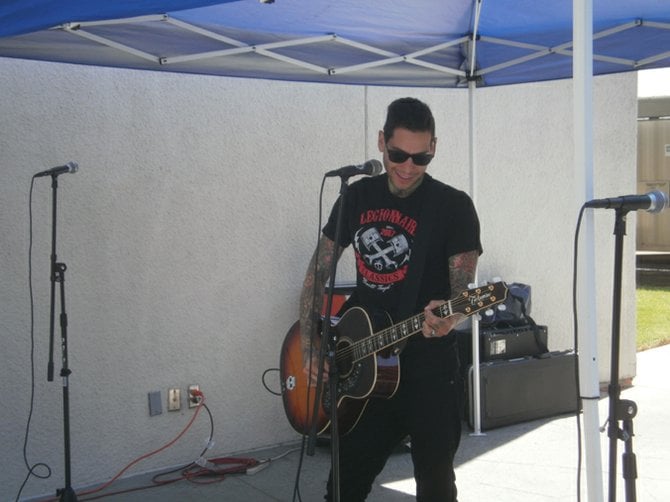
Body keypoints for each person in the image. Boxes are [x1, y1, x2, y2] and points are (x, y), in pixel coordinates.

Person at [299, 97, 482, 502]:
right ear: (382, 142)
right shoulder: (356, 197)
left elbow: (463, 292)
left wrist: (450, 316)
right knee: (343, 487)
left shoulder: (453, 207)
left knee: (435, 487)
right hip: (364, 369)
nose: (407, 166)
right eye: (398, 154)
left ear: (434, 147)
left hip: (429, 372)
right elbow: (318, 273)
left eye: (421, 158)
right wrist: (310, 345)